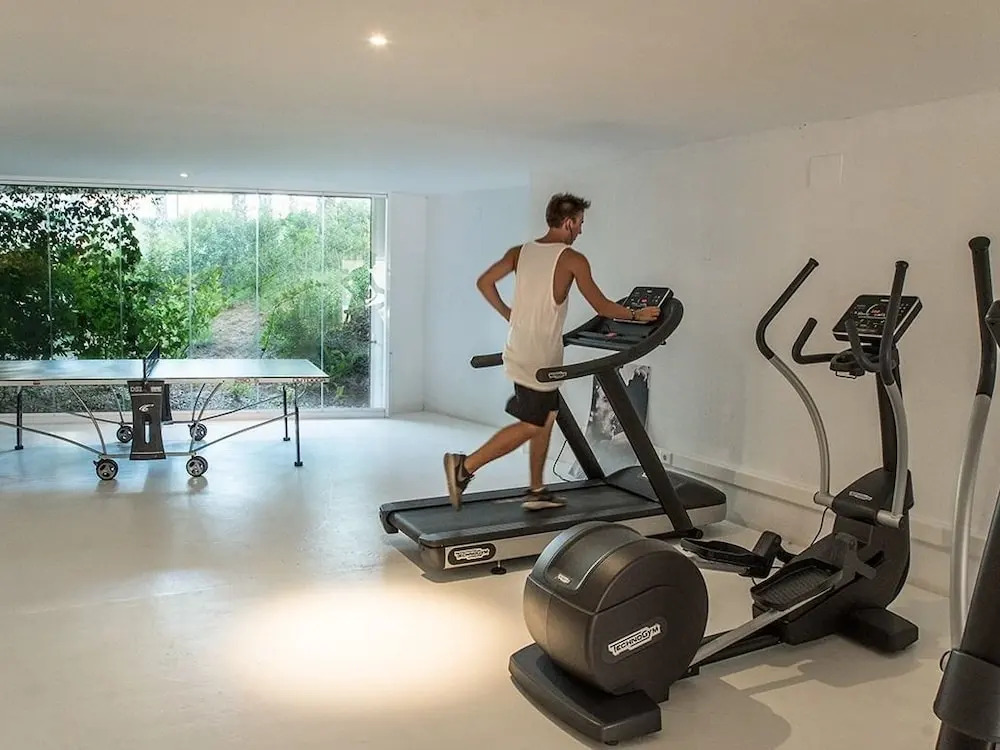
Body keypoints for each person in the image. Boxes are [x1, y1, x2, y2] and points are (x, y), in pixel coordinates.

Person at [442, 193, 662, 511]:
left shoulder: (520, 252)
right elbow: (602, 306)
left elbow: (484, 282)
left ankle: (536, 489)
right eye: (581, 223)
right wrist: (636, 315)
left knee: (546, 417)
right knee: (532, 424)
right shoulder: (572, 259)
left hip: (520, 346)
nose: (581, 231)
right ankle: (464, 466)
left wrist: (510, 315)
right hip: (539, 356)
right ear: (569, 222)